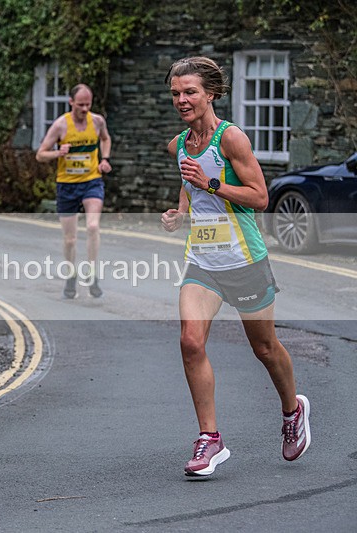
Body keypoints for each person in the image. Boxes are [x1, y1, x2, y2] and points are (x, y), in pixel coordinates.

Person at [160, 57, 310, 477]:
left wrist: (213, 184)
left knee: (264, 348)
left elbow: (260, 197)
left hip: (243, 259)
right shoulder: (181, 144)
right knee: (191, 341)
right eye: (175, 93)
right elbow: (189, 185)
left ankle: (292, 409)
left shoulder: (232, 139)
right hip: (202, 260)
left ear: (210, 93)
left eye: (189, 91)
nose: (182, 100)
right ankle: (210, 439)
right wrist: (179, 214)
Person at [36, 84, 112, 299]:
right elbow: (41, 154)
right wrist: (58, 153)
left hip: (91, 182)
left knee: (93, 225)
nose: (85, 109)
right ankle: (71, 275)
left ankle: (92, 273)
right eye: (80, 105)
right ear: (71, 103)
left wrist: (104, 160)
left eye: (88, 104)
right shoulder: (61, 125)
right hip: (67, 185)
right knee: (70, 239)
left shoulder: (97, 121)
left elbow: (106, 139)